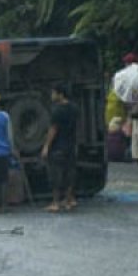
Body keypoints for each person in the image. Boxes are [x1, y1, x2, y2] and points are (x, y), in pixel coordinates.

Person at [41, 84, 79, 212]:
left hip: (58, 146)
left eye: (53, 93)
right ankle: (69, 200)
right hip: (71, 144)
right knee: (69, 173)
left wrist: (46, 146)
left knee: (56, 175)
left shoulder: (56, 110)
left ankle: (55, 203)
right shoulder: (74, 108)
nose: (52, 96)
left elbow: (53, 129)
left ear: (60, 94)